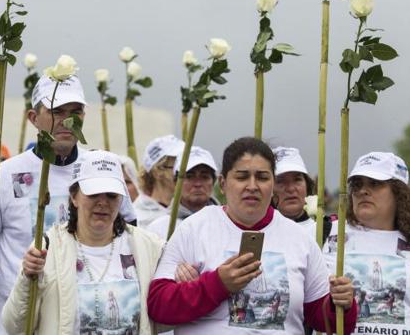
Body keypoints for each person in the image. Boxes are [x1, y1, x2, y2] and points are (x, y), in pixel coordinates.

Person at [147, 137, 357, 334]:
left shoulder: (299, 238)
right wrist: (217, 284)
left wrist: (341, 305)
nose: (252, 186)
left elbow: (325, 321)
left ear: (273, 184)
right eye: (242, 176)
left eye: (263, 177)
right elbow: (157, 306)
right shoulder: (194, 229)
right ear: (223, 183)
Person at [0, 75, 99, 334]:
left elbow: (127, 239)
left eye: (75, 112)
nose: (67, 121)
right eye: (56, 111)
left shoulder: (99, 170)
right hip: (19, 325)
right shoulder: (6, 174)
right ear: (33, 118)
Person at [2, 150, 164, 334]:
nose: (102, 202)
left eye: (111, 195)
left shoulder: (147, 246)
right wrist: (27, 277)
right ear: (74, 196)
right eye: (93, 193)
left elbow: (163, 319)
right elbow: (15, 326)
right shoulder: (48, 248)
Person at [323, 152, 410, 335]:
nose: (362, 191)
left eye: (375, 183)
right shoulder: (325, 231)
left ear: (399, 192)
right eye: (357, 184)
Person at [148, 146, 218, 239]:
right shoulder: (158, 229)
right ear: (176, 182)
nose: (197, 184)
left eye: (204, 177)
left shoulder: (228, 223)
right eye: (189, 177)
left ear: (213, 182)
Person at [272, 147, 332, 241]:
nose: (291, 189)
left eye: (297, 180)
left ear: (307, 185)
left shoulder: (329, 229)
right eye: (280, 181)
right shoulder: (256, 230)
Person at [133, 135, 184, 228]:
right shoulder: (138, 218)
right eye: (179, 166)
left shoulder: (189, 211)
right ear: (158, 171)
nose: (186, 172)